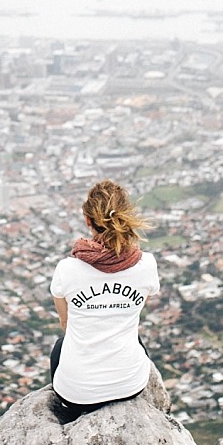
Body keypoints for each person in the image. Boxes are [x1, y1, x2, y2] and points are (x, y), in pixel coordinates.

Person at [48, 180, 159, 421]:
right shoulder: (146, 264)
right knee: (135, 338)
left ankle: (67, 415)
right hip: (130, 387)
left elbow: (65, 323)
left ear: (88, 220)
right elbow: (140, 303)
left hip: (76, 395)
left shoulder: (67, 269)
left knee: (60, 346)